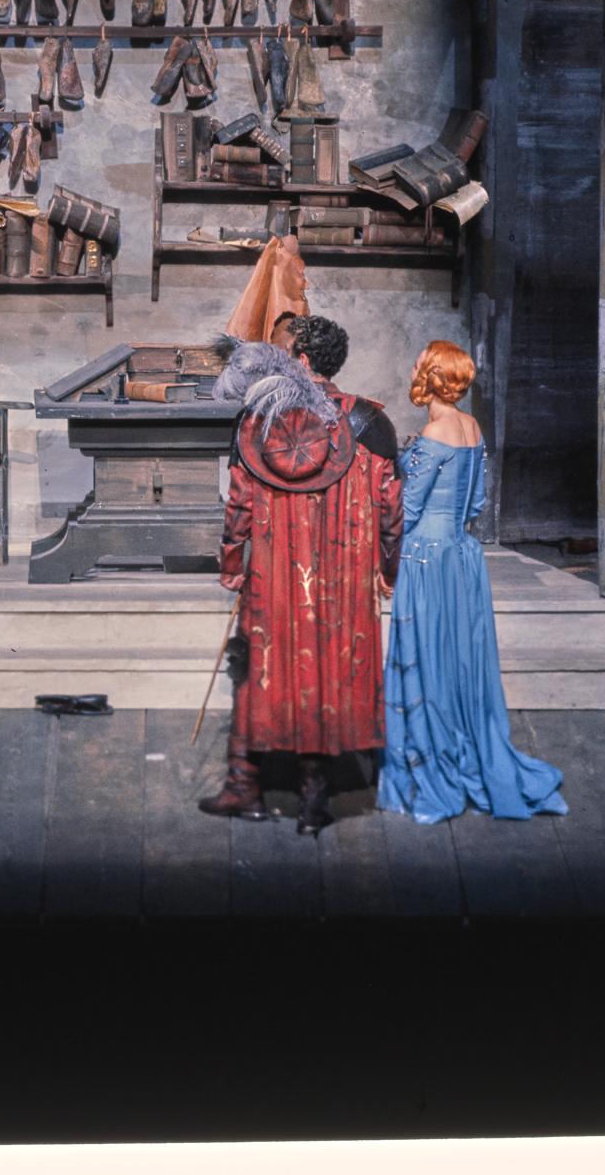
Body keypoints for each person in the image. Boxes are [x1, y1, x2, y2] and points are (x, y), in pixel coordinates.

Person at [199, 315, 403, 836]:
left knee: (259, 670)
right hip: (344, 578)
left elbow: (238, 506)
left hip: (274, 575)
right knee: (325, 674)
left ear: (303, 360)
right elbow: (391, 509)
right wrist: (389, 570)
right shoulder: (370, 423)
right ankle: (314, 799)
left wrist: (231, 567)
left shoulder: (258, 422)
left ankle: (245, 787)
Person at [377, 339, 566, 824]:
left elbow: (409, 510)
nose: (412, 367)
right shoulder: (472, 427)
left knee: (426, 655)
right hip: (462, 556)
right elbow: (477, 502)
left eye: (419, 362)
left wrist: (384, 555)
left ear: (431, 375)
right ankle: (465, 744)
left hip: (426, 557)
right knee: (458, 655)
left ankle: (432, 759)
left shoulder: (434, 432)